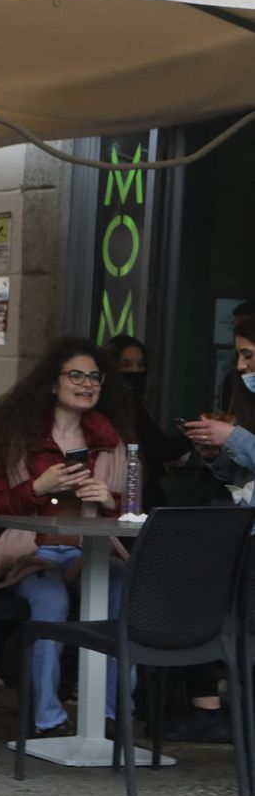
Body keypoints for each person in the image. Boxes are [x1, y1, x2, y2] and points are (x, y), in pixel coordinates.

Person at [0, 337, 135, 739]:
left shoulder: (111, 443)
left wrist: (109, 500)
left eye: (94, 377)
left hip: (88, 553)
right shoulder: (17, 440)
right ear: (52, 383)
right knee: (52, 598)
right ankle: (47, 718)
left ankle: (112, 713)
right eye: (76, 375)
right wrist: (37, 488)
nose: (87, 384)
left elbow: (133, 512)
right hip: (28, 554)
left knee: (119, 583)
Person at [167, 318, 255, 743]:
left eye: (249, 355)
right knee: (193, 594)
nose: (241, 366)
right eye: (238, 355)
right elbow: (239, 477)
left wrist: (233, 437)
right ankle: (209, 710)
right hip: (240, 529)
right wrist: (214, 453)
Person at [104, 335, 191, 510]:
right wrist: (194, 436)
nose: (135, 371)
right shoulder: (118, 405)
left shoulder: (134, 403)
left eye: (141, 365)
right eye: (126, 364)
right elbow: (158, 446)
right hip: (129, 496)